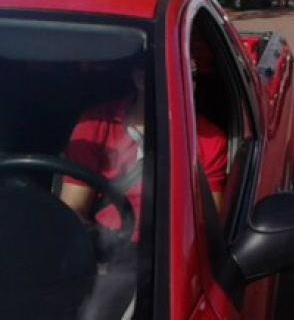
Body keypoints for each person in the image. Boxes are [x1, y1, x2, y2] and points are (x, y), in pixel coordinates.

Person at [61, 57, 228, 244]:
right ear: (140, 79)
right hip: (105, 249)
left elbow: (208, 227)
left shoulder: (209, 139)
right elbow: (73, 210)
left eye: (192, 76)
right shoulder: (96, 124)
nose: (187, 84)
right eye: (175, 74)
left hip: (171, 256)